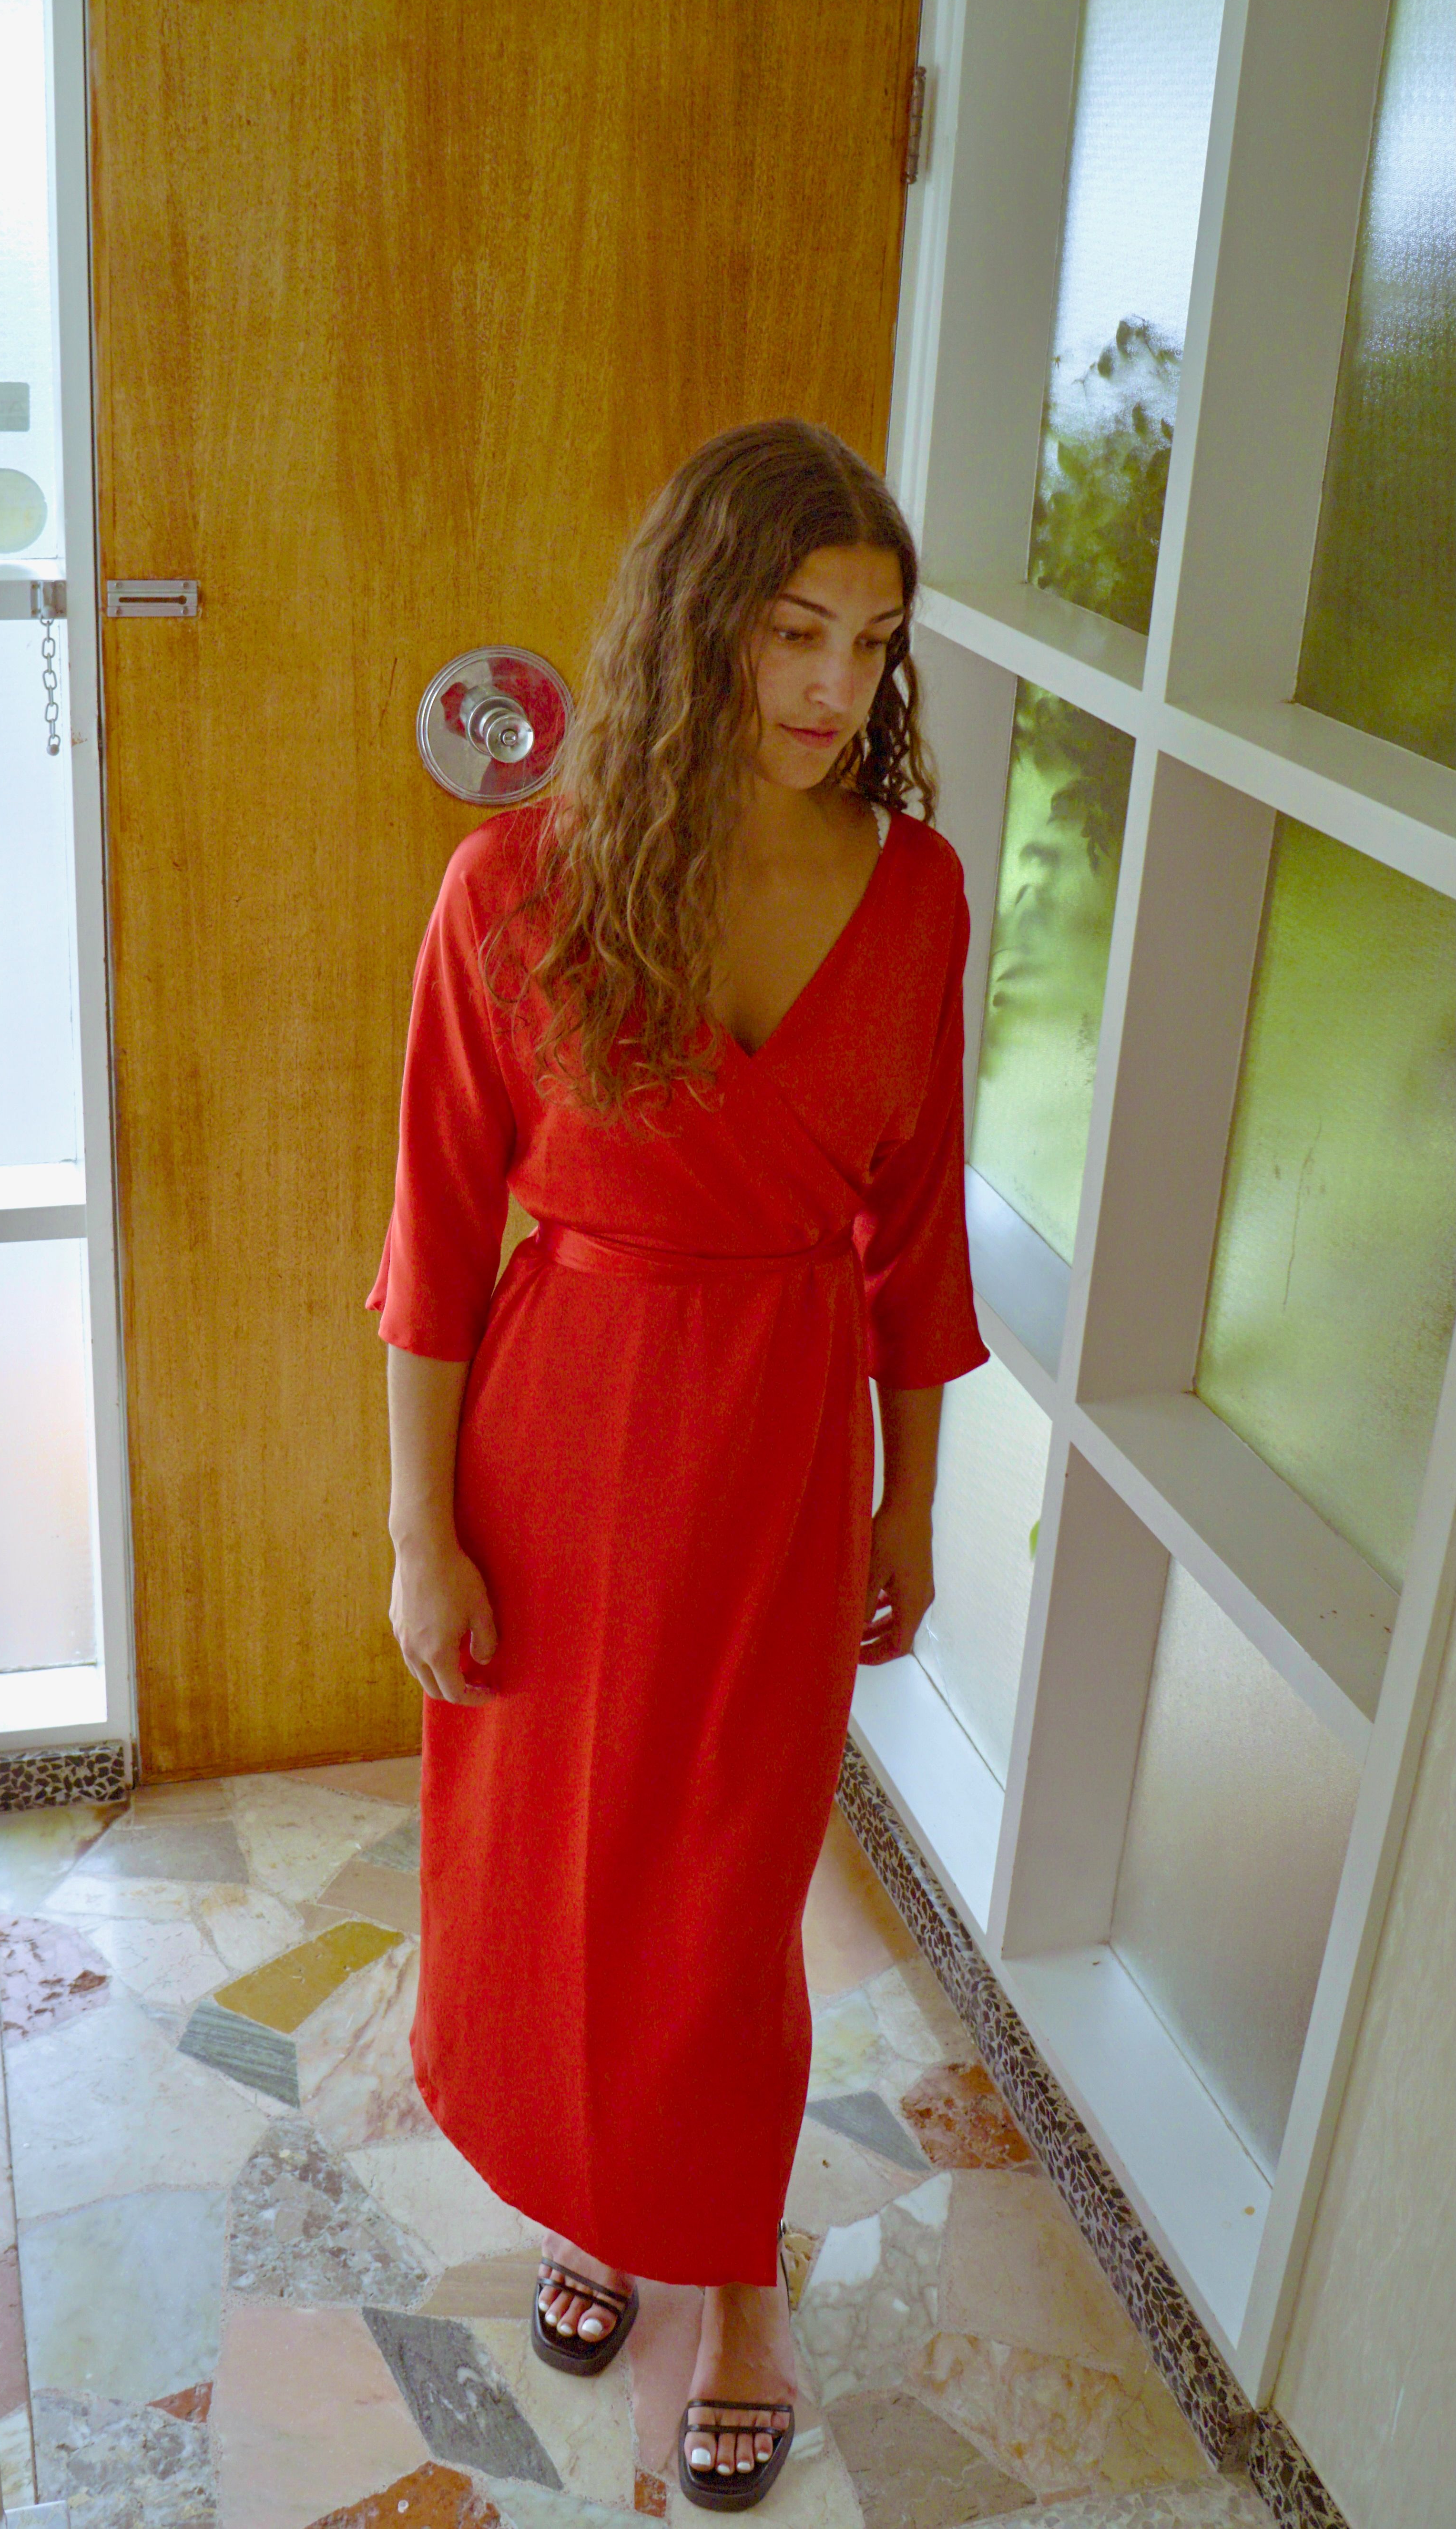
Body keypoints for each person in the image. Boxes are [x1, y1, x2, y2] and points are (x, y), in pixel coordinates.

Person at [369, 419, 987, 2509]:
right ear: (696, 621)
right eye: (791, 630)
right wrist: (419, 1532)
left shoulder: (913, 890)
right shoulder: (513, 885)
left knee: (727, 1886)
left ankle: (727, 2274)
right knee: (554, 1870)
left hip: (776, 1448)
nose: (830, 684)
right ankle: (594, 2193)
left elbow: (917, 1236)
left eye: (869, 643)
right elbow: (433, 1241)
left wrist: (908, 1498)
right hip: (557, 1443)